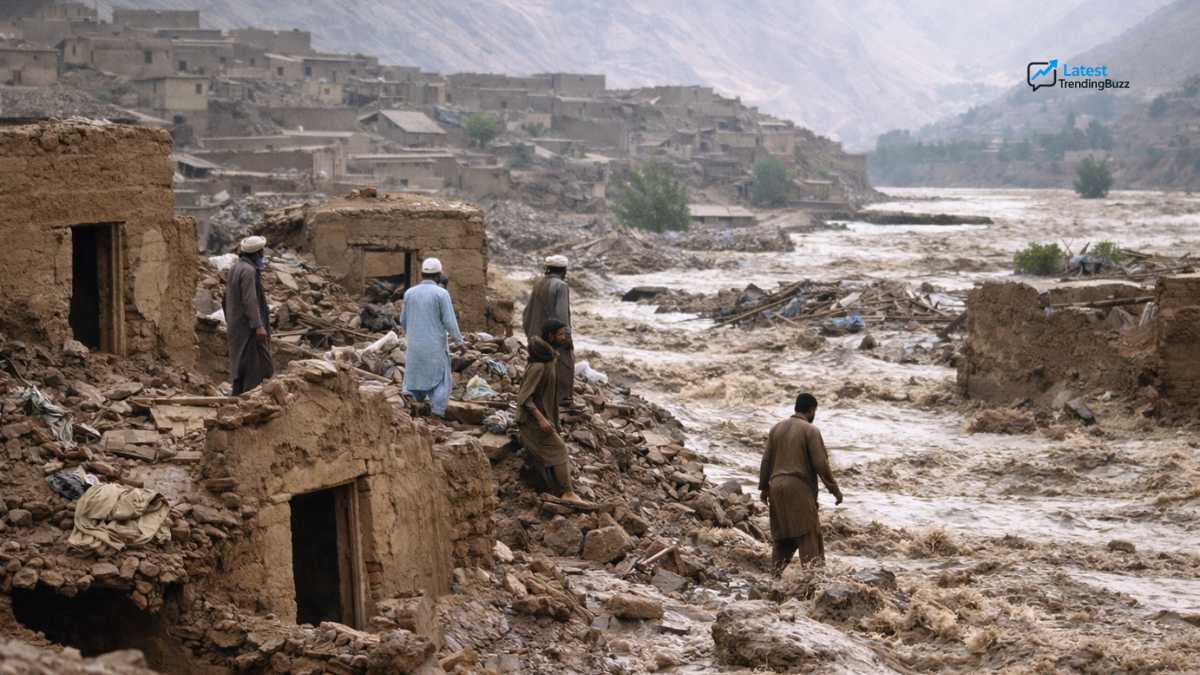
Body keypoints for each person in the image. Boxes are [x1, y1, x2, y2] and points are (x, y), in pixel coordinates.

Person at [759, 392, 844, 574]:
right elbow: (821, 464)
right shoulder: (810, 430)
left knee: (783, 538)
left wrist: (764, 488)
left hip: (775, 486)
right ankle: (813, 581)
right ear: (811, 410)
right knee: (809, 535)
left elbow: (766, 461)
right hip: (798, 487)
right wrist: (834, 490)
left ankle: (774, 579)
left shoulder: (776, 429)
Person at [516, 319, 584, 503]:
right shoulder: (539, 365)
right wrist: (541, 419)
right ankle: (568, 493)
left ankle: (556, 490)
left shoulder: (549, 358)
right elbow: (524, 398)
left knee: (551, 452)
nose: (564, 337)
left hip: (542, 416)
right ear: (550, 336)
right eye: (560, 334)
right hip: (531, 420)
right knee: (560, 449)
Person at [400, 257, 463, 417]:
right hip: (434, 346)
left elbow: (403, 321)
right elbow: (450, 322)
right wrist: (460, 342)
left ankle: (415, 406)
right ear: (438, 275)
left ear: (422, 274)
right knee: (442, 380)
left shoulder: (409, 293)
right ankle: (437, 413)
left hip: (414, 346)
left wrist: (414, 334)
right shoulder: (441, 294)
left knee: (415, 376)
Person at [522, 255, 574, 409]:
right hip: (553, 336)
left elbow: (527, 312)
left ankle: (540, 398)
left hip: (536, 335)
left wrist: (530, 333)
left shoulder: (538, 283)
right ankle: (561, 400)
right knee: (564, 364)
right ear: (563, 270)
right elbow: (562, 315)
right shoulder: (561, 286)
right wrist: (566, 338)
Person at [225, 235, 274, 395]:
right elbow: (250, 300)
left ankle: (237, 395)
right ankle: (249, 398)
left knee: (240, 363)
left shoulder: (235, 268)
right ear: (257, 253)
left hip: (236, 324)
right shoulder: (249, 271)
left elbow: (225, 298)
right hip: (248, 327)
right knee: (255, 365)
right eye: (262, 253)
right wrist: (258, 325)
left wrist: (230, 319)